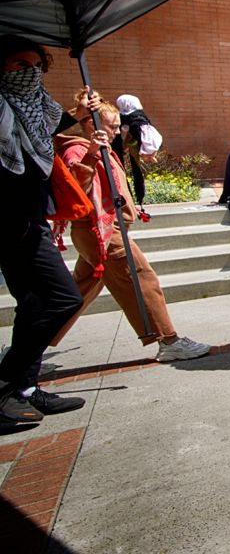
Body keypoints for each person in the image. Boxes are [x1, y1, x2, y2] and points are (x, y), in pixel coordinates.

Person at [50, 99, 211, 363]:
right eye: (112, 127)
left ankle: (31, 344)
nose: (116, 132)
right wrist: (91, 153)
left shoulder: (98, 147)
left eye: (116, 127)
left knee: (77, 291)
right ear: (90, 124)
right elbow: (76, 189)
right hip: (101, 231)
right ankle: (168, 339)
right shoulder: (78, 149)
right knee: (141, 277)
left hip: (101, 230)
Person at [0, 35, 98, 423]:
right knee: (63, 300)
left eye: (36, 66)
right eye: (19, 66)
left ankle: (24, 388)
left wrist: (84, 112)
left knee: (34, 305)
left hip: (32, 214)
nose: (29, 73)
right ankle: (6, 384)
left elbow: (64, 127)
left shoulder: (37, 102)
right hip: (12, 220)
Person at [113, 93, 162, 207]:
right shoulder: (137, 116)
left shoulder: (120, 117)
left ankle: (130, 198)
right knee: (136, 170)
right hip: (136, 144)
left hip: (127, 144)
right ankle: (137, 198)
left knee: (124, 173)